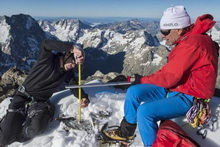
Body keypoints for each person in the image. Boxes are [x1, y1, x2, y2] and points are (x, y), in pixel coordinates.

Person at [103, 6, 219, 146]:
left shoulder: (192, 44)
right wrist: (133, 81)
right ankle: (126, 133)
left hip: (191, 95)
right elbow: (171, 74)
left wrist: (141, 80)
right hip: (177, 87)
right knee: (134, 91)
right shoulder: (188, 39)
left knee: (145, 112)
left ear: (179, 29)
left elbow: (169, 77)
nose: (162, 35)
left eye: (165, 31)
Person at [0, 39, 90, 146]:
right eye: (74, 61)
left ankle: (18, 138)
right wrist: (71, 48)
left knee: (37, 127)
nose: (74, 65)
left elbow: (75, 87)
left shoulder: (67, 73)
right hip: (22, 98)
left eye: (77, 64)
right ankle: (9, 128)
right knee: (3, 140)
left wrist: (83, 97)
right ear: (67, 55)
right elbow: (45, 44)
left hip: (39, 103)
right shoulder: (47, 60)